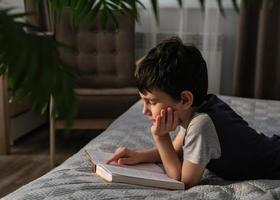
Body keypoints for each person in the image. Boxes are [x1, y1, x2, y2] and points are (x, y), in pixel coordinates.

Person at [106, 37, 280, 189]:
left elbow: (183, 180)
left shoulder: (202, 124)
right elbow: (176, 151)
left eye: (151, 102)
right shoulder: (197, 109)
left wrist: (161, 137)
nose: (145, 111)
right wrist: (138, 156)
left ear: (184, 99)